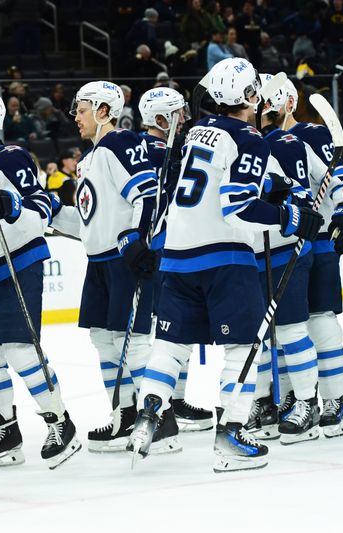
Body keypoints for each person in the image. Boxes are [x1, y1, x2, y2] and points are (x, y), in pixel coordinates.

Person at [129, 58, 323, 472]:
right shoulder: (251, 136)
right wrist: (290, 217)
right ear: (248, 96)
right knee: (241, 347)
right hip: (223, 258)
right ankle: (231, 433)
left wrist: (273, 185)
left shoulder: (196, 132)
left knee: (169, 345)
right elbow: (236, 206)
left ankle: (148, 413)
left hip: (177, 258)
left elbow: (215, 177)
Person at [0, 90, 81, 469]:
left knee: (21, 349)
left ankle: (61, 422)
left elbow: (42, 206)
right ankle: (6, 430)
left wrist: (10, 206)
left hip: (15, 263)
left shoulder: (13, 157)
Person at [48, 82, 160, 453]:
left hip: (123, 261)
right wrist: (46, 210)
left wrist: (139, 239)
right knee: (105, 341)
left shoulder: (120, 144)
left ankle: (155, 421)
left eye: (81, 110)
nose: (75, 118)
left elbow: (146, 194)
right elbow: (87, 222)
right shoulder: (89, 158)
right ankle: (124, 415)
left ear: (102, 111)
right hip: (97, 262)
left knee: (135, 344)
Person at [245, 74, 323, 445]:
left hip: (286, 248)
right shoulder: (247, 144)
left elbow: (307, 194)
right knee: (258, 337)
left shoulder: (288, 142)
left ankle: (308, 403)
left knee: (291, 331)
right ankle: (265, 401)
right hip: (253, 253)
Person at [283, 79, 343, 439]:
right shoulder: (257, 139)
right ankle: (295, 401)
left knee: (321, 323)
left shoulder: (312, 134)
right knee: (284, 330)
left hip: (320, 242)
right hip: (282, 247)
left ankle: (332, 400)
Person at [137, 87, 213, 432]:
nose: (184, 119)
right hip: (157, 252)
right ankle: (159, 402)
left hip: (173, 249)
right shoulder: (148, 152)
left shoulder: (176, 151)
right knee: (165, 331)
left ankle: (175, 399)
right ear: (162, 119)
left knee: (176, 328)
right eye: (178, 114)